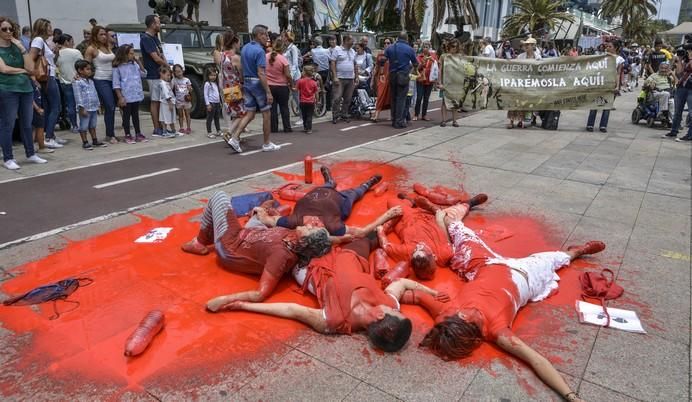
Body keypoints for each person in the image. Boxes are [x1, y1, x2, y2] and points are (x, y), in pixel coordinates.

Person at [408, 201, 601, 402]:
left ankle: (444, 209)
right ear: (468, 326)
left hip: (483, 264)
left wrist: (389, 301)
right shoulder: (497, 331)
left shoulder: (448, 313)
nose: (463, 312)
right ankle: (577, 251)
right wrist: (572, 397)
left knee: (456, 228)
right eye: (464, 316)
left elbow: (415, 295)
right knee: (555, 259)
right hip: (525, 275)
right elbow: (536, 360)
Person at [215, 235, 446, 353]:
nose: (397, 309)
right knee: (365, 238)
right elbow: (404, 283)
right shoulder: (390, 304)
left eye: (395, 313)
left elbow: (291, 310)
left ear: (378, 316)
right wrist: (432, 291)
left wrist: (242, 305)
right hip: (351, 256)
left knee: (296, 240)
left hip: (312, 266)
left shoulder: (333, 321)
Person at [181, 191, 332, 305]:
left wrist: (224, 300)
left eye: (312, 229)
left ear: (306, 241)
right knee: (265, 209)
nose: (311, 224)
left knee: (219, 197)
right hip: (250, 232)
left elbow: (260, 294)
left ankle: (199, 241)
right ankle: (210, 234)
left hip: (231, 245)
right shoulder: (294, 236)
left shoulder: (281, 255)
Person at [254, 165, 396, 239]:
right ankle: (367, 184)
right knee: (355, 193)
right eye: (319, 228)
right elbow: (362, 232)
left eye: (310, 227)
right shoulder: (333, 226)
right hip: (341, 202)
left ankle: (329, 181)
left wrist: (258, 209)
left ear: (301, 229)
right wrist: (387, 215)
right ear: (324, 230)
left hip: (320, 191)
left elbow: (266, 219)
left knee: (327, 186)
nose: (314, 224)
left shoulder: (292, 221)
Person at [0, 17, 47, 170]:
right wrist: (23, 71)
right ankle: (8, 158)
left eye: (10, 29)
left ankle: (30, 153)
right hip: (7, 89)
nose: (8, 32)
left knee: (27, 123)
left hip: (26, 89)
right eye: (4, 29)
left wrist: (21, 47)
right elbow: (4, 69)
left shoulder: (16, 46)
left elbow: (30, 66)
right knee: (8, 124)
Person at [225, 25, 280, 154]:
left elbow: (242, 67)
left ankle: (235, 137)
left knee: (250, 112)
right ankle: (266, 143)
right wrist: (268, 91)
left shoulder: (245, 48)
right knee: (266, 113)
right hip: (256, 82)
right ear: (259, 35)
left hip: (247, 82)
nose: (267, 37)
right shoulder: (260, 51)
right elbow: (261, 72)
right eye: (265, 35)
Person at [29, 18, 64, 149]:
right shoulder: (38, 40)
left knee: (49, 107)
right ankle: (48, 136)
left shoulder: (42, 41)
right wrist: (33, 77)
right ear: (43, 27)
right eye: (49, 27)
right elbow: (31, 57)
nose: (51, 29)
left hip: (47, 76)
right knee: (56, 107)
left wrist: (54, 53)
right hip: (47, 77)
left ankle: (50, 135)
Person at [85, 25, 117, 144]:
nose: (104, 37)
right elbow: (85, 65)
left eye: (105, 34)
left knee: (113, 107)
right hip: (101, 79)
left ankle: (111, 132)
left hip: (112, 79)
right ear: (95, 36)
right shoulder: (92, 49)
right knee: (109, 105)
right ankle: (110, 134)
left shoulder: (109, 46)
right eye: (101, 35)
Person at [112, 44, 147, 144]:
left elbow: (144, 74)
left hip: (135, 94)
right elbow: (116, 84)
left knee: (135, 115)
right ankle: (127, 134)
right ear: (124, 54)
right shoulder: (117, 67)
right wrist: (120, 97)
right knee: (126, 116)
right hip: (126, 95)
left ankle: (138, 133)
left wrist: (139, 62)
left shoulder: (134, 64)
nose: (133, 55)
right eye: (131, 53)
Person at [141, 15, 168, 137]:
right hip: (153, 74)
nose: (159, 25)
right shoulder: (146, 38)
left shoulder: (155, 38)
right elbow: (156, 57)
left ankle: (163, 125)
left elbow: (161, 53)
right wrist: (167, 65)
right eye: (158, 23)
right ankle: (156, 127)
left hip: (161, 74)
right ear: (152, 24)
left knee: (161, 101)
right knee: (155, 101)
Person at [586, 40, 622, 133]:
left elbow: (618, 74)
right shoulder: (601, 57)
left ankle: (603, 126)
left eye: (610, 46)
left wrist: (617, 86)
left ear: (616, 48)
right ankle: (590, 124)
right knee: (595, 103)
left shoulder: (619, 59)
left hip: (611, 84)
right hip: (600, 83)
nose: (608, 48)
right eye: (607, 46)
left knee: (607, 105)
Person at [384, 32, 418, 129]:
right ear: (406, 38)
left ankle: (394, 119)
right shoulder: (409, 49)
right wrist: (411, 68)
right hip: (403, 75)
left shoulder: (390, 48)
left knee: (393, 98)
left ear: (397, 38)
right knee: (401, 99)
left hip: (392, 75)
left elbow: (383, 59)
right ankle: (399, 121)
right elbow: (416, 63)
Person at [507, 37, 541, 129]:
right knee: (515, 102)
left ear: (533, 46)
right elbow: (516, 67)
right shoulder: (521, 56)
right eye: (525, 44)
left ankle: (522, 121)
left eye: (528, 44)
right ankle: (511, 121)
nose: (526, 46)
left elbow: (539, 71)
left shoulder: (538, 57)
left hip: (531, 83)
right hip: (520, 82)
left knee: (526, 103)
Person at [73, 59, 107, 150]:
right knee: (83, 126)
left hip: (93, 107)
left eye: (90, 69)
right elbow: (78, 96)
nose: (90, 71)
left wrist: (98, 104)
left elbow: (95, 93)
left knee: (93, 125)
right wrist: (81, 107)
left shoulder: (91, 81)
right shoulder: (77, 82)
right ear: (80, 70)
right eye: (87, 69)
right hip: (85, 108)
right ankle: (85, 142)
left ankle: (94, 140)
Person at [218, 31, 246, 136]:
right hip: (236, 87)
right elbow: (241, 73)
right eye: (238, 42)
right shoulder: (235, 58)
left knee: (235, 113)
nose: (239, 45)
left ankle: (235, 137)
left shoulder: (222, 56)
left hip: (226, 87)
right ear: (234, 43)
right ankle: (229, 133)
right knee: (242, 113)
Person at [664, 45, 692, 142]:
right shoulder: (685, 60)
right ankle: (674, 131)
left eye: (690, 50)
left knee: (691, 113)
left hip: (691, 90)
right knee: (677, 112)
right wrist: (679, 59)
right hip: (681, 87)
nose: (688, 52)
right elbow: (679, 72)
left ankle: (690, 135)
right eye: (688, 50)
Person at [55, 34, 81, 133]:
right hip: (77, 81)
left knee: (70, 105)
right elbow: (81, 64)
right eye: (72, 41)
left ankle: (74, 125)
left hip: (64, 82)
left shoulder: (57, 54)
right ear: (66, 41)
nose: (73, 43)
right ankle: (83, 123)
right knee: (81, 104)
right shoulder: (76, 52)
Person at [266, 38, 293, 133]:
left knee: (272, 108)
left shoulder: (266, 57)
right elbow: (287, 75)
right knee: (284, 107)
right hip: (282, 86)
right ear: (283, 48)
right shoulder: (283, 59)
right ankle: (287, 127)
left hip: (269, 86)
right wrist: (291, 84)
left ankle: (274, 128)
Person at [330, 34, 357, 124]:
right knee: (337, 97)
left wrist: (356, 76)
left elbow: (355, 64)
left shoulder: (353, 51)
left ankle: (344, 114)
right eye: (351, 40)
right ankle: (335, 115)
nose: (353, 42)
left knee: (348, 98)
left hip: (350, 78)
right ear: (346, 41)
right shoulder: (337, 50)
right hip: (340, 78)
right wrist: (334, 76)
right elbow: (333, 63)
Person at [438, 38, 461, 127]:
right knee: (444, 102)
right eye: (452, 46)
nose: (454, 48)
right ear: (449, 46)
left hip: (456, 83)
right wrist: (439, 82)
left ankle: (455, 121)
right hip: (445, 83)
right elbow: (440, 70)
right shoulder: (444, 56)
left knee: (455, 102)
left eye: (456, 46)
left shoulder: (459, 57)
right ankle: (443, 120)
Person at [414, 41, 437, 121]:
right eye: (424, 47)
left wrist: (433, 60)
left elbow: (436, 67)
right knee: (419, 97)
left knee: (426, 98)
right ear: (422, 48)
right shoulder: (419, 57)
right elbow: (416, 68)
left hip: (429, 80)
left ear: (430, 48)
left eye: (427, 47)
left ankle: (424, 115)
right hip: (420, 80)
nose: (425, 48)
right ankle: (416, 114)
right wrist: (422, 62)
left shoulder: (433, 56)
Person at [371, 38, 392, 122]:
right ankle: (376, 115)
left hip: (390, 78)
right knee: (380, 96)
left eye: (388, 43)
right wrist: (372, 79)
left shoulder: (393, 55)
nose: (386, 44)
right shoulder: (380, 54)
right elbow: (376, 67)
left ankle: (391, 115)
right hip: (381, 78)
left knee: (390, 97)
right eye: (385, 43)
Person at [30, 78, 52, 154]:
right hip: (35, 108)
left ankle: (35, 146)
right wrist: (37, 108)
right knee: (39, 127)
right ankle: (41, 147)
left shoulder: (34, 81)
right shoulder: (29, 81)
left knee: (36, 128)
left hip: (37, 105)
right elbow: (30, 98)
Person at [158, 66, 180, 137]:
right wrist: (170, 103)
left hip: (167, 103)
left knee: (167, 117)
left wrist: (172, 78)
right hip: (166, 103)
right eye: (167, 75)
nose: (169, 77)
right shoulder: (163, 84)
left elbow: (170, 88)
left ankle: (171, 131)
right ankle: (166, 131)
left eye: (170, 75)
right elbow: (166, 93)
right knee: (167, 117)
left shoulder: (165, 82)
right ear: (161, 74)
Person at [296, 65, 318, 133]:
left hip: (302, 101)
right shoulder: (314, 83)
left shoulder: (300, 81)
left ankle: (305, 127)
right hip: (311, 101)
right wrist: (317, 100)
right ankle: (309, 129)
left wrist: (290, 87)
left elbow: (296, 89)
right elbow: (316, 92)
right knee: (309, 115)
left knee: (304, 115)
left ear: (304, 72)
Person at [172, 64, 192, 135]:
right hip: (179, 101)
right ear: (174, 73)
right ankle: (181, 127)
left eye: (179, 71)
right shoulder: (174, 80)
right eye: (176, 72)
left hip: (186, 100)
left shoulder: (187, 80)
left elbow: (190, 89)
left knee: (187, 114)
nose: (179, 73)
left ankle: (188, 127)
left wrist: (190, 89)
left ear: (182, 71)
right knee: (180, 115)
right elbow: (171, 88)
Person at [204, 66, 222, 138]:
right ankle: (209, 132)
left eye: (214, 75)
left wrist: (220, 102)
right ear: (208, 75)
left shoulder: (215, 83)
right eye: (211, 75)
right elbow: (205, 95)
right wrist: (208, 104)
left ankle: (218, 130)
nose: (213, 77)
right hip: (211, 103)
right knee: (210, 118)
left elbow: (218, 93)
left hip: (217, 103)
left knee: (217, 117)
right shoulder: (207, 84)